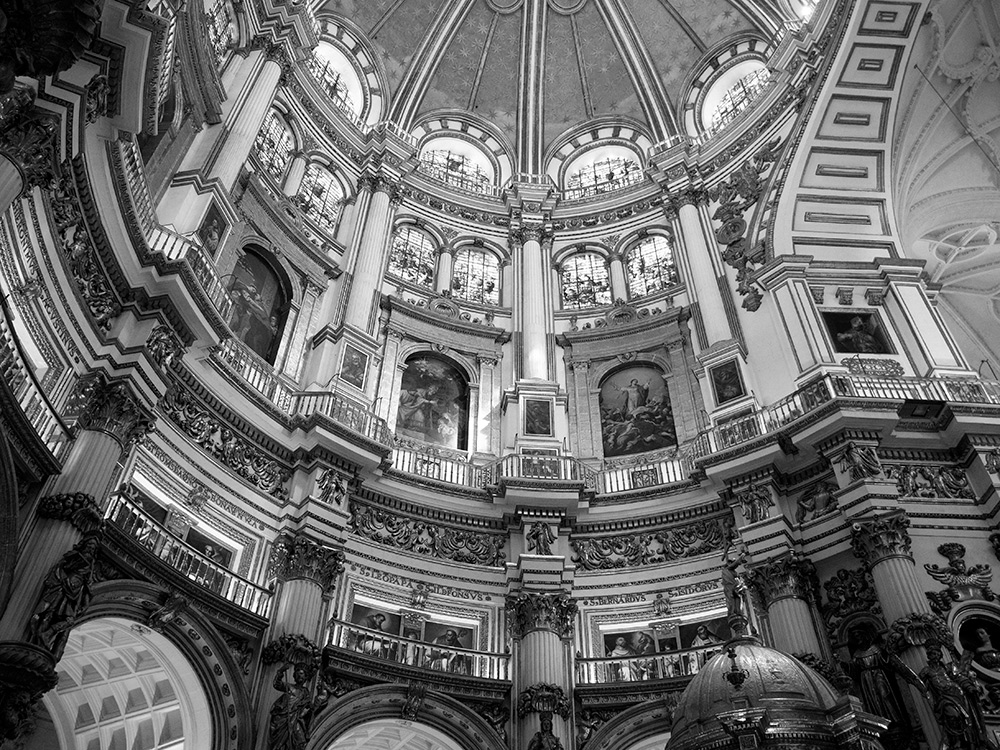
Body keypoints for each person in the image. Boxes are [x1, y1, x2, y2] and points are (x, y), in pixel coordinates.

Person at [27, 532, 101, 659]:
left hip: (75, 594)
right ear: (84, 544)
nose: (90, 549)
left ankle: (47, 634)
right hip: (62, 587)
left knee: (69, 620)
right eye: (89, 545)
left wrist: (86, 589)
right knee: (49, 613)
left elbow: (88, 581)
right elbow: (63, 566)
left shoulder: (92, 564)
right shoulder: (74, 555)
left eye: (93, 548)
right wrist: (69, 568)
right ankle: (39, 638)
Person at [267, 664, 328, 750]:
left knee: (301, 742)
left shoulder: (305, 692)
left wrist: (312, 707)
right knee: (280, 743)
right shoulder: (289, 687)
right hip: (284, 718)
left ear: (305, 677)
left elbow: (308, 706)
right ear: (294, 675)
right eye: (297, 673)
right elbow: (277, 684)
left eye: (302, 674)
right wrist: (280, 672)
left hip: (296, 719)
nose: (299, 676)